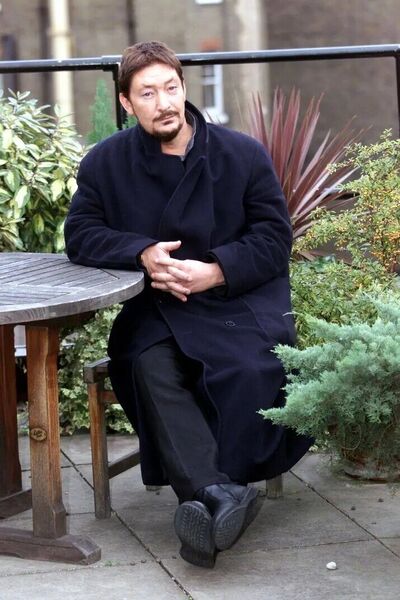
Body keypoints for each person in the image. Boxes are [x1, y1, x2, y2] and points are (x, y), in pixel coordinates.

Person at [65, 41, 312, 568]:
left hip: (237, 303)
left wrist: (216, 270)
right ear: (126, 103)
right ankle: (221, 495)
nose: (164, 103)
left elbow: (274, 238)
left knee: (249, 369)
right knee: (147, 365)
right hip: (159, 309)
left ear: (183, 87)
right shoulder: (106, 163)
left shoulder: (241, 154)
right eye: (147, 94)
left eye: (170, 88)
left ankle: (208, 498)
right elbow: (81, 233)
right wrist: (141, 252)